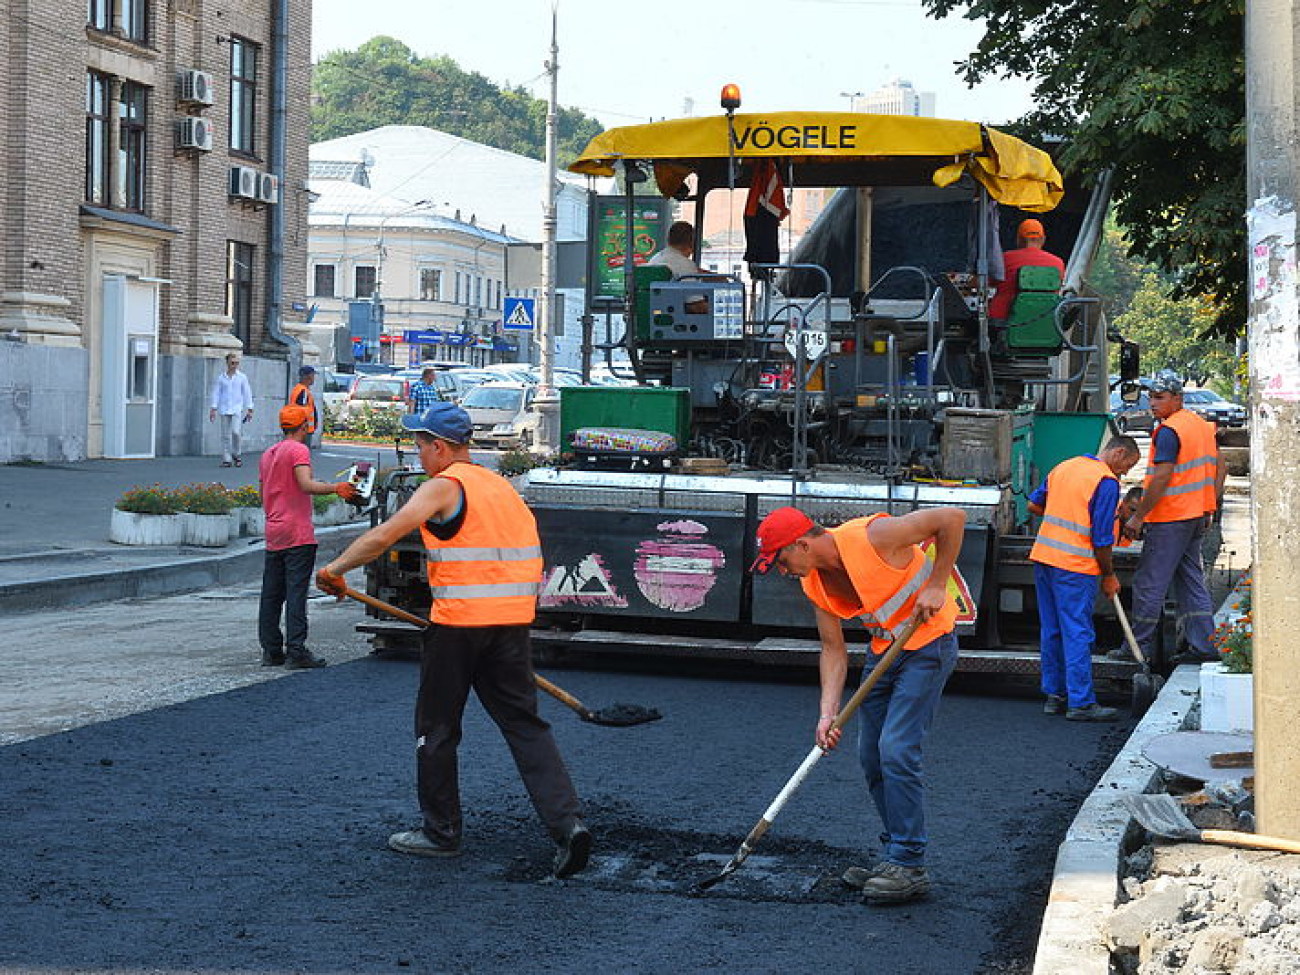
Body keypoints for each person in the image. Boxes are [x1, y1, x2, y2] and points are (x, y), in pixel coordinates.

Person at [315, 401, 592, 878]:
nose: (419, 455)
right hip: (510, 626)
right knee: (525, 726)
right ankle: (568, 826)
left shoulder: (444, 486)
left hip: (459, 628)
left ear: (440, 447)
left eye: (421, 445)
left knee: (437, 729)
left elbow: (385, 535)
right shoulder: (501, 488)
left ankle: (441, 834)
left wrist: (334, 569)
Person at [751, 504, 965, 905]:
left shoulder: (873, 537)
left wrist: (938, 584)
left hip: (929, 643)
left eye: (781, 561)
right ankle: (895, 856)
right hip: (885, 650)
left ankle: (909, 862)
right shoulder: (814, 582)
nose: (782, 571)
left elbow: (951, 518)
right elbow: (833, 649)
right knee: (870, 755)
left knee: (897, 749)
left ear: (801, 545)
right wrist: (827, 714)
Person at [1028, 437, 1142, 722]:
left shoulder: (1065, 467)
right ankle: (1080, 702)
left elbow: (1034, 505)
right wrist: (1109, 575)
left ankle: (1055, 695)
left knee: (1052, 629)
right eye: (1127, 465)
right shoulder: (1105, 481)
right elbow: (1102, 538)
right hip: (1075, 566)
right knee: (1077, 631)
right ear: (1118, 452)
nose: (1125, 473)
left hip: (1044, 558)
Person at [1123, 371, 1226, 664]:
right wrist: (1209, 508)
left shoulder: (1169, 431)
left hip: (1171, 517)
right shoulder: (1200, 426)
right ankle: (1205, 646)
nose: (1152, 403)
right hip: (1194, 515)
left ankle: (1136, 648)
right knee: (1191, 581)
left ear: (1177, 399)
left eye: (1159, 398)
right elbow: (1220, 467)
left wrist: (1138, 516)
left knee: (1149, 583)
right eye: (1150, 397)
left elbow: (1162, 476)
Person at [257, 405, 358, 669]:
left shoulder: (269, 453)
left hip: (274, 529)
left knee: (271, 593)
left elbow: (263, 491)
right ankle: (296, 650)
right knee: (296, 593)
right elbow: (305, 484)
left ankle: (271, 650)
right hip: (297, 531)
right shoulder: (298, 450)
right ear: (305, 426)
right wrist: (336, 488)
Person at [989, 218, 1067, 338]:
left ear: (1018, 240)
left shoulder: (1004, 259)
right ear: (1043, 239)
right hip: (1043, 324)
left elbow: (984, 282)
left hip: (1003, 325)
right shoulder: (1058, 263)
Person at [648, 221, 709, 314]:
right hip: (677, 323)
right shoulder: (685, 265)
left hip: (657, 317)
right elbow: (696, 306)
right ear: (692, 242)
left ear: (668, 240)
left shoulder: (655, 259)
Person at [209, 352, 254, 467]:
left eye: (236, 363)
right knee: (225, 435)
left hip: (236, 409)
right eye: (232, 363)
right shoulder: (221, 378)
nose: (234, 366)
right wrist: (213, 408)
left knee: (236, 432)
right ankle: (226, 459)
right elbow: (216, 393)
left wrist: (250, 408)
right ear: (227, 363)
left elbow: (247, 392)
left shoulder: (242, 377)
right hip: (224, 408)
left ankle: (237, 454)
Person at [287, 365, 319, 446]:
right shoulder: (303, 391)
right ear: (308, 376)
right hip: (303, 430)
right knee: (302, 454)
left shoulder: (300, 389)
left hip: (301, 429)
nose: (314, 378)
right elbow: (301, 410)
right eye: (313, 375)